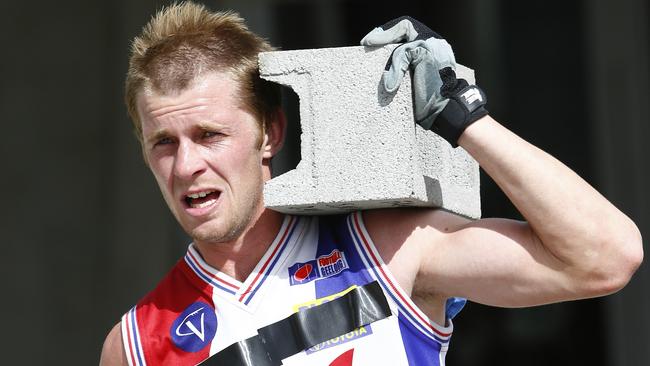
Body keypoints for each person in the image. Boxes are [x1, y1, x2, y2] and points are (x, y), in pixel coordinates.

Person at [100, 2, 643, 366]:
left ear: (271, 133)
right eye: (163, 143)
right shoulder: (134, 344)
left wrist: (463, 119)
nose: (186, 164)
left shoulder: (388, 247)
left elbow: (604, 257)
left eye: (209, 134)